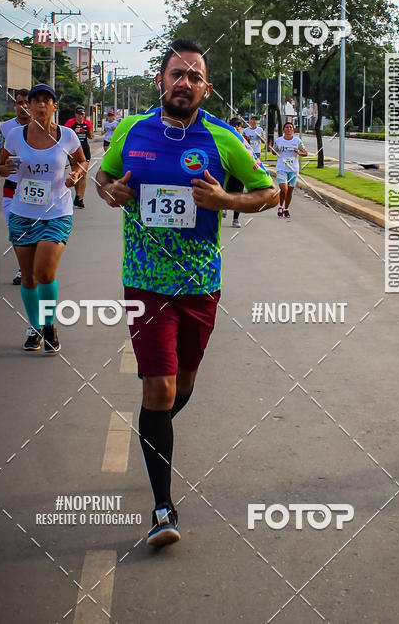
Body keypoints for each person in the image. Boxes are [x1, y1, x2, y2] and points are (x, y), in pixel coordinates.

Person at [95, 39, 278, 547]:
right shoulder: (133, 131)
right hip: (146, 280)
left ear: (206, 88)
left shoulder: (224, 139)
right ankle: (162, 507)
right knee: (159, 389)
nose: (185, 83)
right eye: (177, 74)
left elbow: (268, 191)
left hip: (200, 284)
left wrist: (226, 198)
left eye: (194, 77)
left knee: (182, 389)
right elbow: (103, 176)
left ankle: (154, 433)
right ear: (162, 80)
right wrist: (109, 190)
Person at [0, 84, 85, 352]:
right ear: (28, 106)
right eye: (34, 101)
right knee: (27, 277)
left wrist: (76, 175)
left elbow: (81, 161)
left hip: (57, 212)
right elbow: (0, 164)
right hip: (23, 213)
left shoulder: (68, 135)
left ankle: (49, 324)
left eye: (46, 100)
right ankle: (34, 326)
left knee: (45, 273)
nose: (39, 105)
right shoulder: (15, 135)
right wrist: (5, 168)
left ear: (54, 106)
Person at [0, 90, 31, 284]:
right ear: (15, 106)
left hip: (35, 187)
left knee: (35, 228)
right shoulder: (5, 128)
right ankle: (23, 268)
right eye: (20, 102)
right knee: (16, 230)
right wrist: (3, 168)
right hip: (12, 186)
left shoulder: (42, 127)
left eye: (27, 102)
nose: (24, 106)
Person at [272, 121, 308, 218]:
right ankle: (280, 206)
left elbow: (305, 153)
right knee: (284, 189)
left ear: (293, 130)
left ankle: (286, 209)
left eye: (290, 127)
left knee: (290, 190)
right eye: (287, 127)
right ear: (283, 130)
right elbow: (273, 152)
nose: (289, 129)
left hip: (293, 169)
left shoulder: (297, 141)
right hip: (281, 168)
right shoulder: (279, 140)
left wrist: (299, 152)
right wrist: (276, 150)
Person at [64, 106, 93, 208]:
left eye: (82, 114)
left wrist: (87, 132)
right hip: (74, 151)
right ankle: (77, 195)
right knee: (75, 174)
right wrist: (74, 131)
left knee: (83, 174)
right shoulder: (70, 123)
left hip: (85, 150)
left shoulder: (87, 123)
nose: (80, 116)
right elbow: (65, 136)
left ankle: (80, 198)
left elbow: (91, 136)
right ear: (75, 114)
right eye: (79, 114)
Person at [223, 117, 249, 228]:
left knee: (238, 194)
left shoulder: (244, 139)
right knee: (225, 191)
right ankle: (223, 207)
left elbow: (249, 153)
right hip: (227, 169)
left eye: (238, 125)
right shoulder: (225, 138)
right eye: (234, 125)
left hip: (239, 170)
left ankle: (235, 219)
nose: (237, 127)